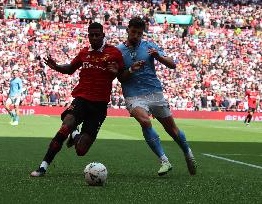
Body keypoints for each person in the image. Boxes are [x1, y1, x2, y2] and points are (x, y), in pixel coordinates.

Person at [30, 22, 124, 177]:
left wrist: (118, 72)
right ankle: (43, 166)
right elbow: (70, 69)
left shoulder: (114, 53)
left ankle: (75, 135)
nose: (94, 37)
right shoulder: (84, 53)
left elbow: (123, 75)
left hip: (99, 106)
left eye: (97, 35)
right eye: (91, 35)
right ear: (88, 36)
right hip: (82, 99)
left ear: (103, 35)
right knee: (64, 127)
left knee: (81, 150)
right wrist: (57, 67)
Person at [117, 17, 197, 176]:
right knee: (145, 121)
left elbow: (173, 64)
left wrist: (158, 56)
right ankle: (164, 160)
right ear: (127, 30)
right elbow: (120, 77)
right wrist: (131, 69)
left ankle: (188, 153)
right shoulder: (118, 51)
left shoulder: (149, 46)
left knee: (172, 129)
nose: (136, 36)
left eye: (139, 33)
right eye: (133, 32)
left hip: (154, 92)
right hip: (134, 95)